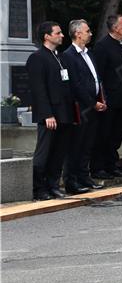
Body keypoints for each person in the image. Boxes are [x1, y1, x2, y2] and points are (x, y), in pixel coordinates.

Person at [27, 22, 76, 200]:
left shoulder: (60, 57)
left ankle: (53, 185)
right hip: (49, 114)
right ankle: (39, 189)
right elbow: (38, 89)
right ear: (47, 36)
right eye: (58, 32)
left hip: (64, 113)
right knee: (44, 152)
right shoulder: (37, 58)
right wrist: (47, 114)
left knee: (59, 152)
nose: (62, 35)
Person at [61, 19, 105, 193]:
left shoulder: (90, 53)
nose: (91, 33)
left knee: (87, 145)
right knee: (76, 146)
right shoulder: (68, 55)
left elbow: (95, 78)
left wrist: (101, 99)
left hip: (94, 105)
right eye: (87, 31)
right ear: (78, 33)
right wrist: (93, 102)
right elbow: (76, 84)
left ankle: (84, 177)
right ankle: (71, 181)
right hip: (81, 107)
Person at [92, 14, 122, 179]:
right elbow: (99, 74)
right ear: (116, 28)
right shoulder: (102, 47)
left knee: (116, 135)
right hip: (109, 99)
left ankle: (112, 164)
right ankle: (99, 167)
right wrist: (101, 98)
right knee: (104, 134)